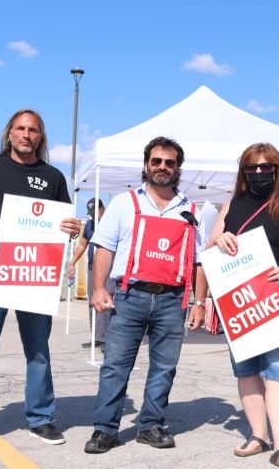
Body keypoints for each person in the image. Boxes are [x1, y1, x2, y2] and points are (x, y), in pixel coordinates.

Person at [0, 109, 80, 447]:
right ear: (9, 133)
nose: (27, 135)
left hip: (35, 277)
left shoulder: (53, 177)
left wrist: (72, 228)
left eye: (34, 130)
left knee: (38, 350)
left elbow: (66, 224)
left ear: (41, 137)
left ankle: (40, 418)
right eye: (20, 128)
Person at [202, 143, 279, 469]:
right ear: (243, 171)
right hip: (240, 300)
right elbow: (210, 245)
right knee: (245, 370)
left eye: (265, 168)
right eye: (251, 168)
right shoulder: (233, 205)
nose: (258, 173)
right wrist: (220, 241)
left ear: (277, 169)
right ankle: (259, 435)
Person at [83, 136, 207, 454]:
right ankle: (105, 429)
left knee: (164, 367)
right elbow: (104, 248)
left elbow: (199, 260)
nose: (162, 167)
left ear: (177, 168)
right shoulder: (125, 203)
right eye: (156, 161)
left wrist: (198, 301)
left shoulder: (190, 210)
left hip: (172, 300)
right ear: (146, 165)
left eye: (169, 162)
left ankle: (150, 426)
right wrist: (98, 288)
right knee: (116, 365)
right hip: (129, 295)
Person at [68, 197, 111, 349]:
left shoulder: (110, 221)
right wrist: (72, 262)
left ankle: (107, 339)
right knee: (92, 301)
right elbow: (82, 244)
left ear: (102, 208)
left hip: (107, 268)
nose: (93, 215)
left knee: (105, 301)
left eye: (95, 212)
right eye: (90, 213)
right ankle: (96, 337)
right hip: (92, 268)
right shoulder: (90, 224)